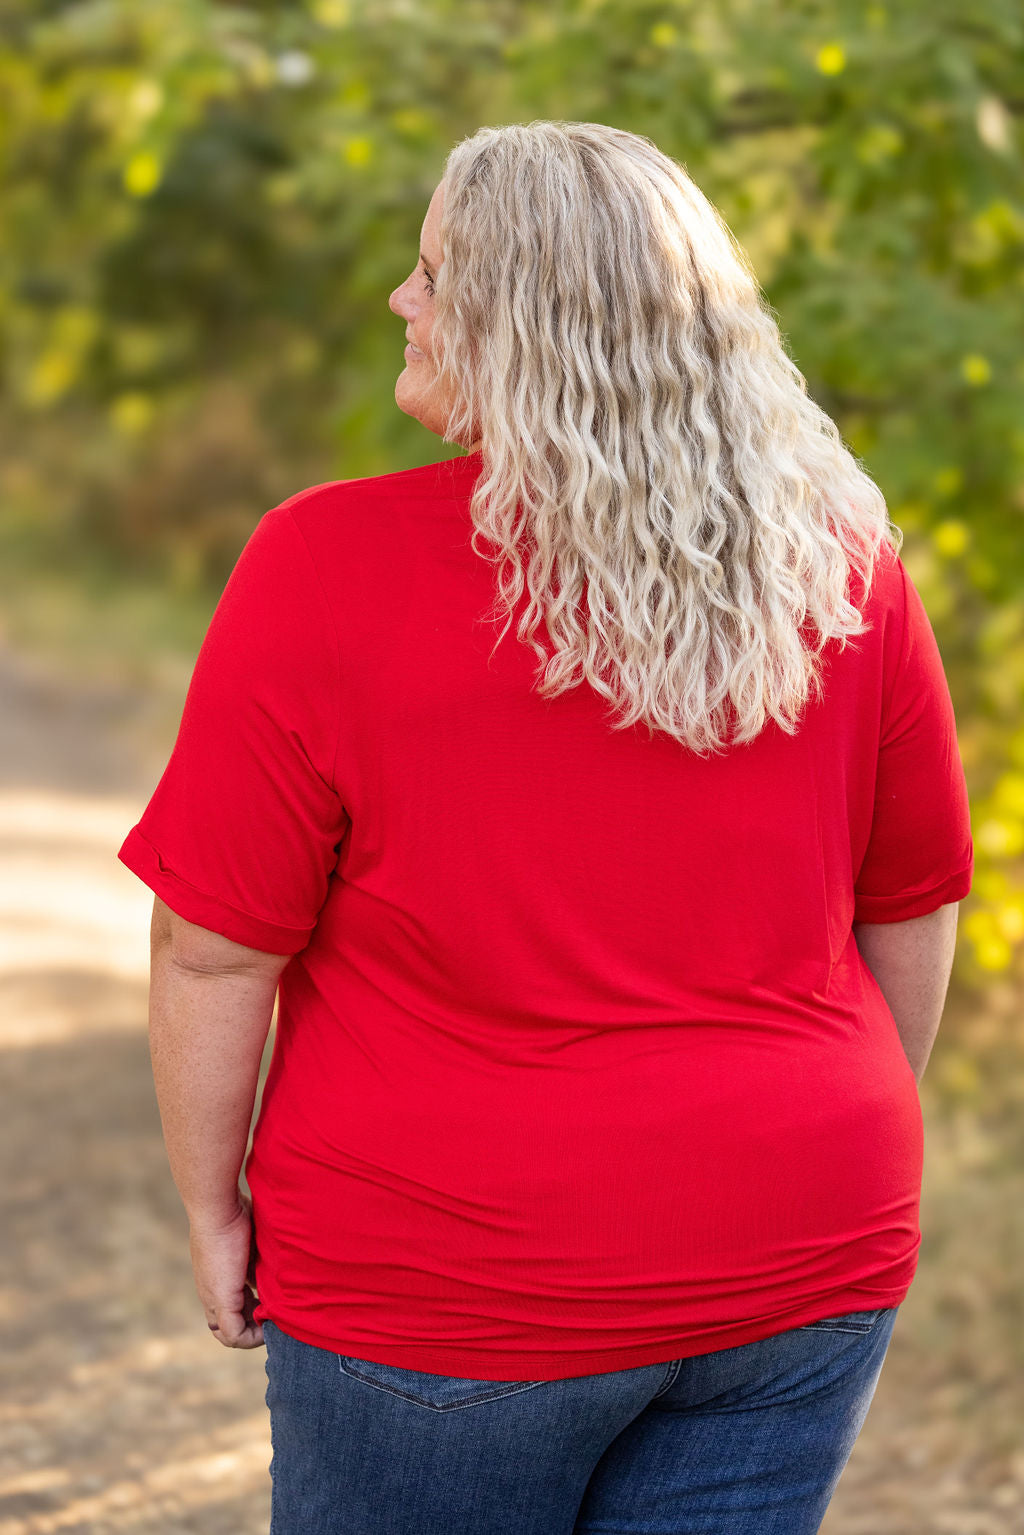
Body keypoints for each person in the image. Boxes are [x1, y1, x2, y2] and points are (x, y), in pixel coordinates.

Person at [118, 120, 973, 1535]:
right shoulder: (840, 572)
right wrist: (810, 1139)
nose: (403, 300)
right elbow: (914, 907)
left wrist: (215, 1213)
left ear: (529, 328)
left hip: (452, 1285)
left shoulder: (323, 565)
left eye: (436, 274)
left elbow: (212, 951)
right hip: (806, 1252)